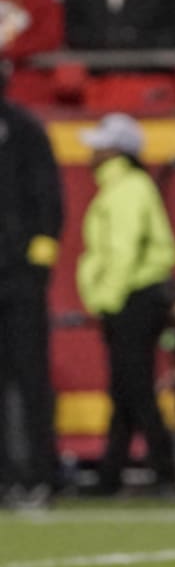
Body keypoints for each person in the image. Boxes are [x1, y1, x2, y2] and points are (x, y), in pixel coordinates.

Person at [76, 113, 175, 496]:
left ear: (117, 150)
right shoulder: (124, 186)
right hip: (134, 296)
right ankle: (111, 475)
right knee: (125, 391)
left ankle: (164, 471)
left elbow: (121, 251)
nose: (92, 152)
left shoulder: (126, 189)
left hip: (133, 298)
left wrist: (106, 299)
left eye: (100, 145)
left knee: (135, 389)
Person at [0, 61, 62, 508]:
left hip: (19, 280)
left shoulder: (25, 131)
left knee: (31, 378)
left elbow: (48, 203)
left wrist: (36, 268)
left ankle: (41, 474)